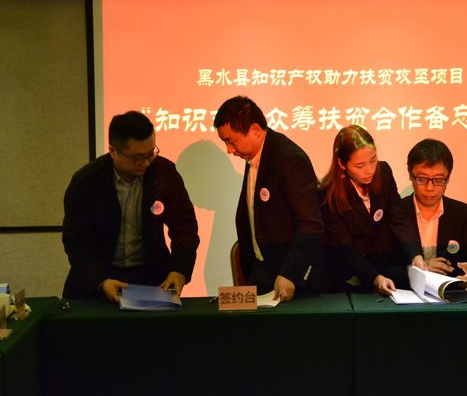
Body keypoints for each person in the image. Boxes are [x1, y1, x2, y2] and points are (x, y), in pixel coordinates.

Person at [62, 111, 199, 302]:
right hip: (99, 277)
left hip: (151, 278)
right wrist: (101, 281)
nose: (146, 163)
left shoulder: (164, 173)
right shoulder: (87, 182)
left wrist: (179, 270)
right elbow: (76, 240)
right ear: (113, 152)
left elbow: (185, 227)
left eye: (151, 154)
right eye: (137, 157)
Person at [213, 96, 324, 302]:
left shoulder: (289, 159)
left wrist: (289, 273)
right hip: (262, 271)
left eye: (231, 141)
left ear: (255, 130)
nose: (229, 150)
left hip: (291, 278)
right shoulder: (254, 156)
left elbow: (311, 224)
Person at [321, 125, 425, 295]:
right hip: (347, 276)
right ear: (342, 164)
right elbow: (344, 246)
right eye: (360, 165)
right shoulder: (328, 193)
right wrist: (375, 278)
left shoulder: (383, 172)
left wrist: (415, 254)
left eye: (373, 160)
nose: (369, 170)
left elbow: (397, 216)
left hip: (385, 266)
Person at [401, 139, 467, 286]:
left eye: (439, 180)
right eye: (422, 179)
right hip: (403, 294)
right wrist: (421, 270)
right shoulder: (395, 213)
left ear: (448, 178)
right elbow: (382, 268)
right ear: (410, 175)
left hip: (449, 296)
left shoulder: (464, 214)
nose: (429, 188)